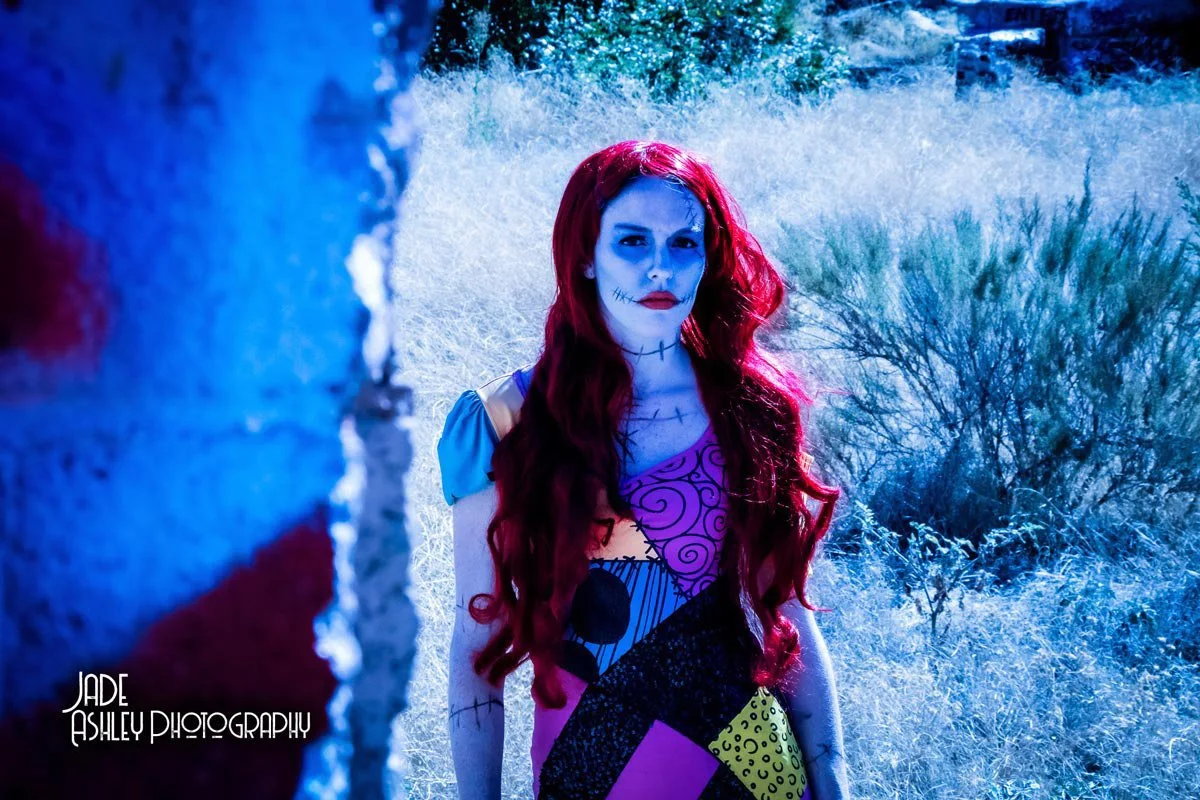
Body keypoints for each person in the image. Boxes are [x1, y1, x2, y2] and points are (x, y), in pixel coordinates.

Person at [439, 140, 850, 800]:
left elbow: (790, 619)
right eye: (631, 242)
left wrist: (834, 780)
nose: (660, 267)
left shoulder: (751, 408)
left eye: (684, 245)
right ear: (584, 256)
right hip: (588, 774)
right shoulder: (504, 422)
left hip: (755, 776)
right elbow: (474, 642)